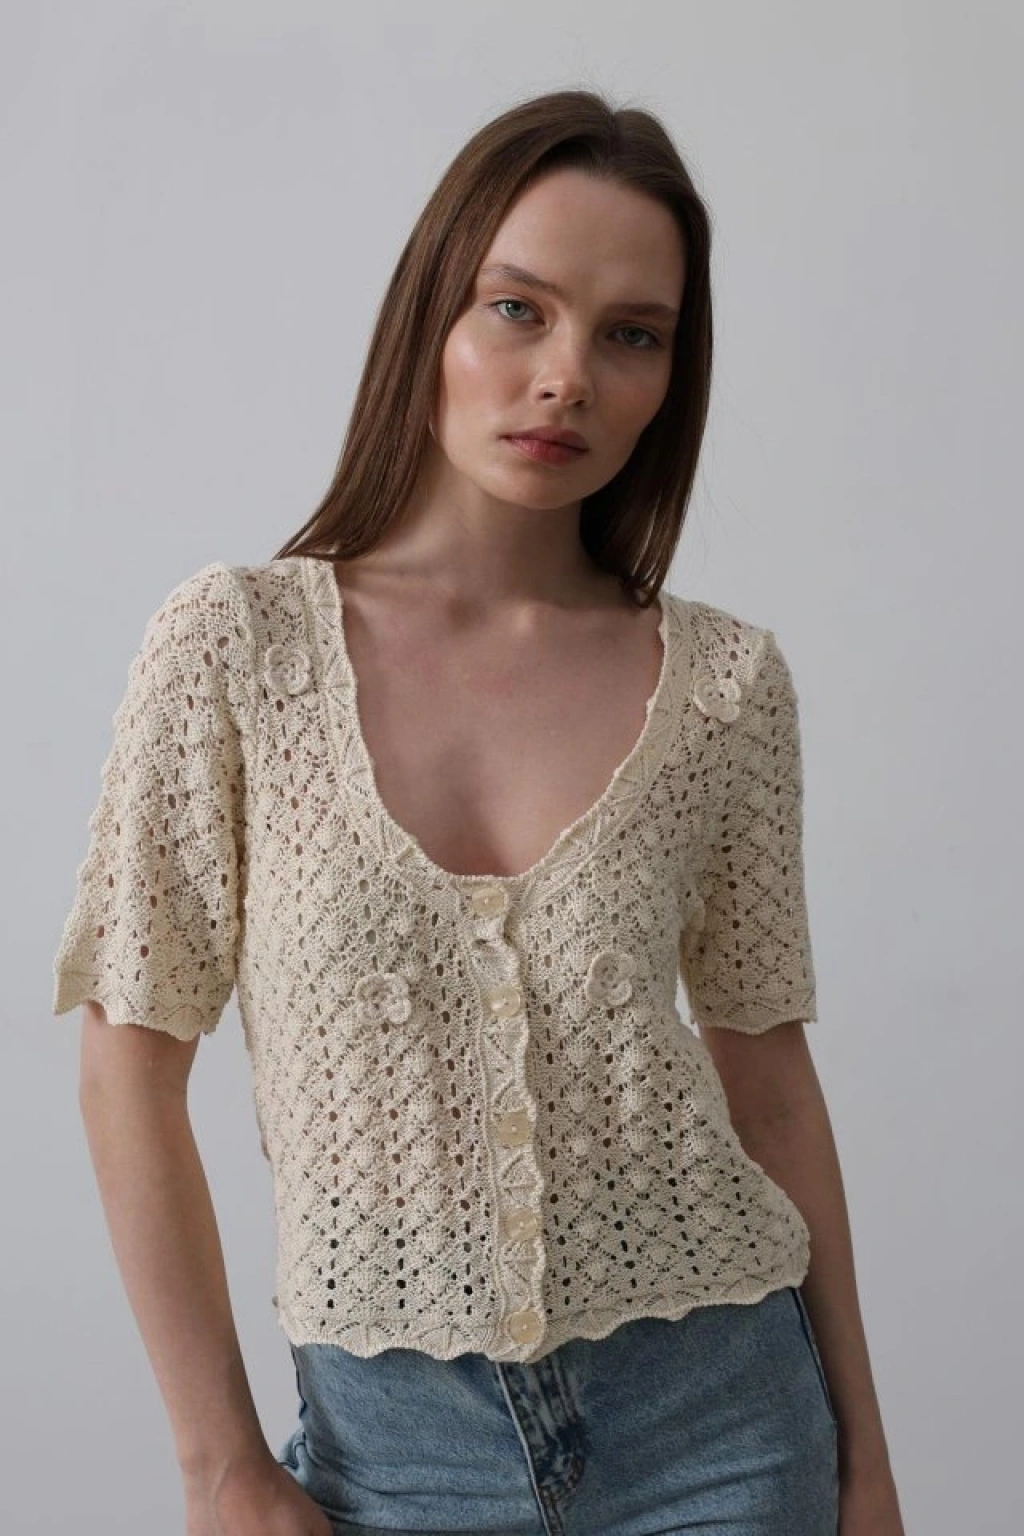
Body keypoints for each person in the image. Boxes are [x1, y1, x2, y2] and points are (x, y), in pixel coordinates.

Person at [52, 89, 904, 1536]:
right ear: (431, 319)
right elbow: (127, 1066)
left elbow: (768, 1081)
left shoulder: (722, 688)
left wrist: (865, 1468)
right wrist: (220, 1464)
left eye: (632, 335)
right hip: (395, 1452)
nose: (567, 377)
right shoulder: (236, 652)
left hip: (727, 1422)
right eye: (519, 309)